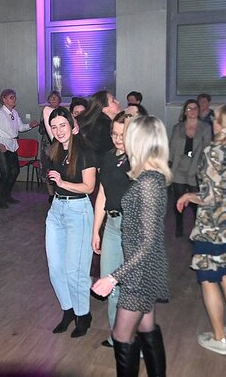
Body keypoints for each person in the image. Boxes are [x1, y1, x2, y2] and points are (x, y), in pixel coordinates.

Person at [92, 115, 171, 377]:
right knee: (147, 328)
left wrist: (113, 277)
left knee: (121, 335)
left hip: (140, 273)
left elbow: (147, 243)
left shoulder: (148, 183)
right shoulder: (150, 177)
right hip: (145, 268)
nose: (124, 140)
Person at [176, 105, 226, 355]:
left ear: (222, 123)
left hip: (212, 226)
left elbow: (209, 196)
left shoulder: (213, 152)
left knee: (209, 278)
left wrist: (189, 195)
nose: (212, 122)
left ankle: (219, 337)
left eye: (215, 119)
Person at [46, 107, 97, 338]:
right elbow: (47, 111)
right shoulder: (56, 149)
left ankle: (83, 314)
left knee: (74, 270)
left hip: (79, 211)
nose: (58, 131)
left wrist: (62, 183)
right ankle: (68, 310)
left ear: (72, 126)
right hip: (57, 210)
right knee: (55, 267)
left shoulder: (84, 150)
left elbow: (89, 187)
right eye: (54, 127)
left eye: (63, 125)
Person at [92, 111, 131, 348]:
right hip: (112, 225)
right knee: (109, 281)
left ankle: (132, 338)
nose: (117, 139)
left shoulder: (138, 160)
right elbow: (102, 195)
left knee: (131, 284)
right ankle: (117, 335)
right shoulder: (107, 157)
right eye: (114, 134)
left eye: (122, 135)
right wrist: (96, 230)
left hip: (131, 226)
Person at [0, 89, 38, 209]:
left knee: (15, 171)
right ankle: (0, 199)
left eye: (14, 97)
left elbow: (20, 128)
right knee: (5, 173)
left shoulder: (14, 112)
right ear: (4, 99)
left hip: (12, 145)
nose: (14, 99)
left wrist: (30, 125)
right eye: (11, 97)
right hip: (1, 145)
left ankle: (7, 195)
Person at [169, 99, 212, 237]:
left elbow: (207, 148)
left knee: (196, 200)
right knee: (178, 198)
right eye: (189, 108)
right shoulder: (178, 127)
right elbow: (172, 148)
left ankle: (197, 227)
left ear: (198, 111)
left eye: (195, 108)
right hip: (179, 167)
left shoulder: (205, 127)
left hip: (196, 167)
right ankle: (179, 226)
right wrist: (168, 165)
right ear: (185, 111)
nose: (192, 111)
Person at [77, 90, 121, 158]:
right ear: (104, 108)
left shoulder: (95, 124)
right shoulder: (105, 128)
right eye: (113, 101)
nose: (118, 102)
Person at [40, 91, 62, 203]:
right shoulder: (45, 111)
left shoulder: (62, 112)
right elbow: (41, 130)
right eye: (51, 97)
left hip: (60, 143)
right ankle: (50, 194)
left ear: (59, 100)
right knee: (48, 168)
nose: (53, 99)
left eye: (55, 97)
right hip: (47, 145)